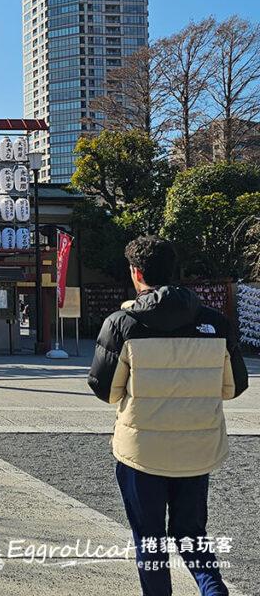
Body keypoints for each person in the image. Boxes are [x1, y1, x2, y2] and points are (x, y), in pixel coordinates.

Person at [88, 236, 248, 596]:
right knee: (192, 533)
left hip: (141, 452)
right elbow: (233, 387)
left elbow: (105, 390)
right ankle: (213, 590)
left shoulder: (122, 324)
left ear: (136, 273)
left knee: (150, 539)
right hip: (198, 450)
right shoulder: (215, 323)